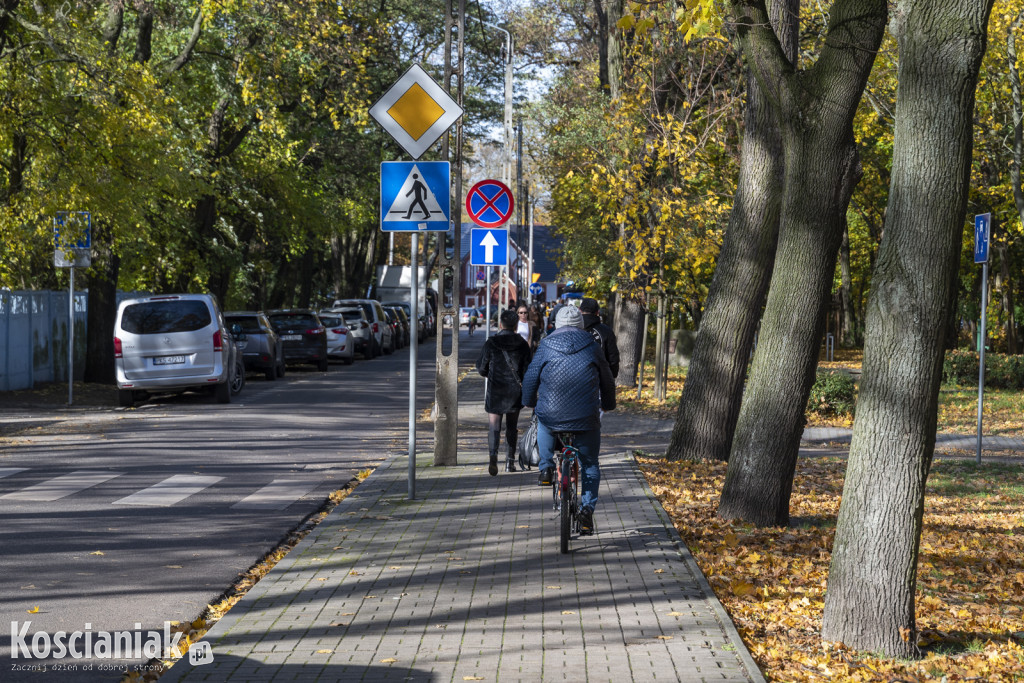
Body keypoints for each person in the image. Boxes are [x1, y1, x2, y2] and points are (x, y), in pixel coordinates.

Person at [521, 305, 616, 535]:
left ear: (557, 325)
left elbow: (531, 376)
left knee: (544, 420)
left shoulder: (546, 345)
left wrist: (529, 401)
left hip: (552, 412)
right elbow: (607, 379)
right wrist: (608, 404)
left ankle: (546, 468)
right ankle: (587, 512)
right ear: (580, 325)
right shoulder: (592, 346)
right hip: (586, 416)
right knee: (590, 464)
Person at [476, 309, 532, 475]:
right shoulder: (522, 344)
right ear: (516, 325)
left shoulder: (491, 343)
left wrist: (491, 374)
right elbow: (528, 370)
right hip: (514, 391)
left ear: (501, 324)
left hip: (496, 390)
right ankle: (509, 462)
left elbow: (481, 368)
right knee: (512, 427)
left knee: (494, 426)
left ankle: (493, 455)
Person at [579, 297, 620, 378]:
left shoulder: (573, 329)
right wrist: (611, 376)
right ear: (597, 312)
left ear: (580, 311)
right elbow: (613, 357)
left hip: (576, 377)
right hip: (600, 377)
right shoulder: (606, 331)